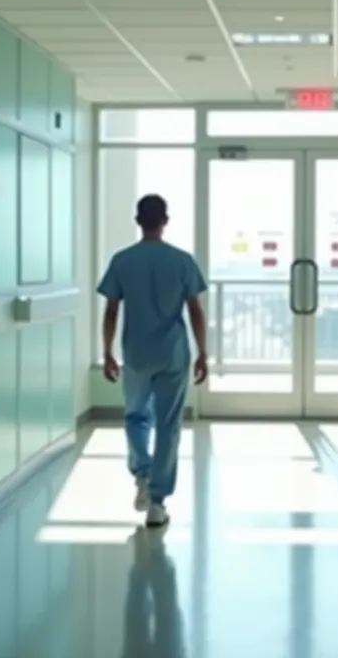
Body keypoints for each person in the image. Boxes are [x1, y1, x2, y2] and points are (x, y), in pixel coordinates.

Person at [98, 194, 209, 528]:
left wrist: (107, 352)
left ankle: (142, 475)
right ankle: (158, 503)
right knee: (168, 424)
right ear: (166, 220)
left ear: (138, 220)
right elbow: (195, 310)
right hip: (173, 354)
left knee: (135, 415)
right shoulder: (182, 261)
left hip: (136, 354)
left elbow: (112, 310)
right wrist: (203, 352)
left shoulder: (122, 261)